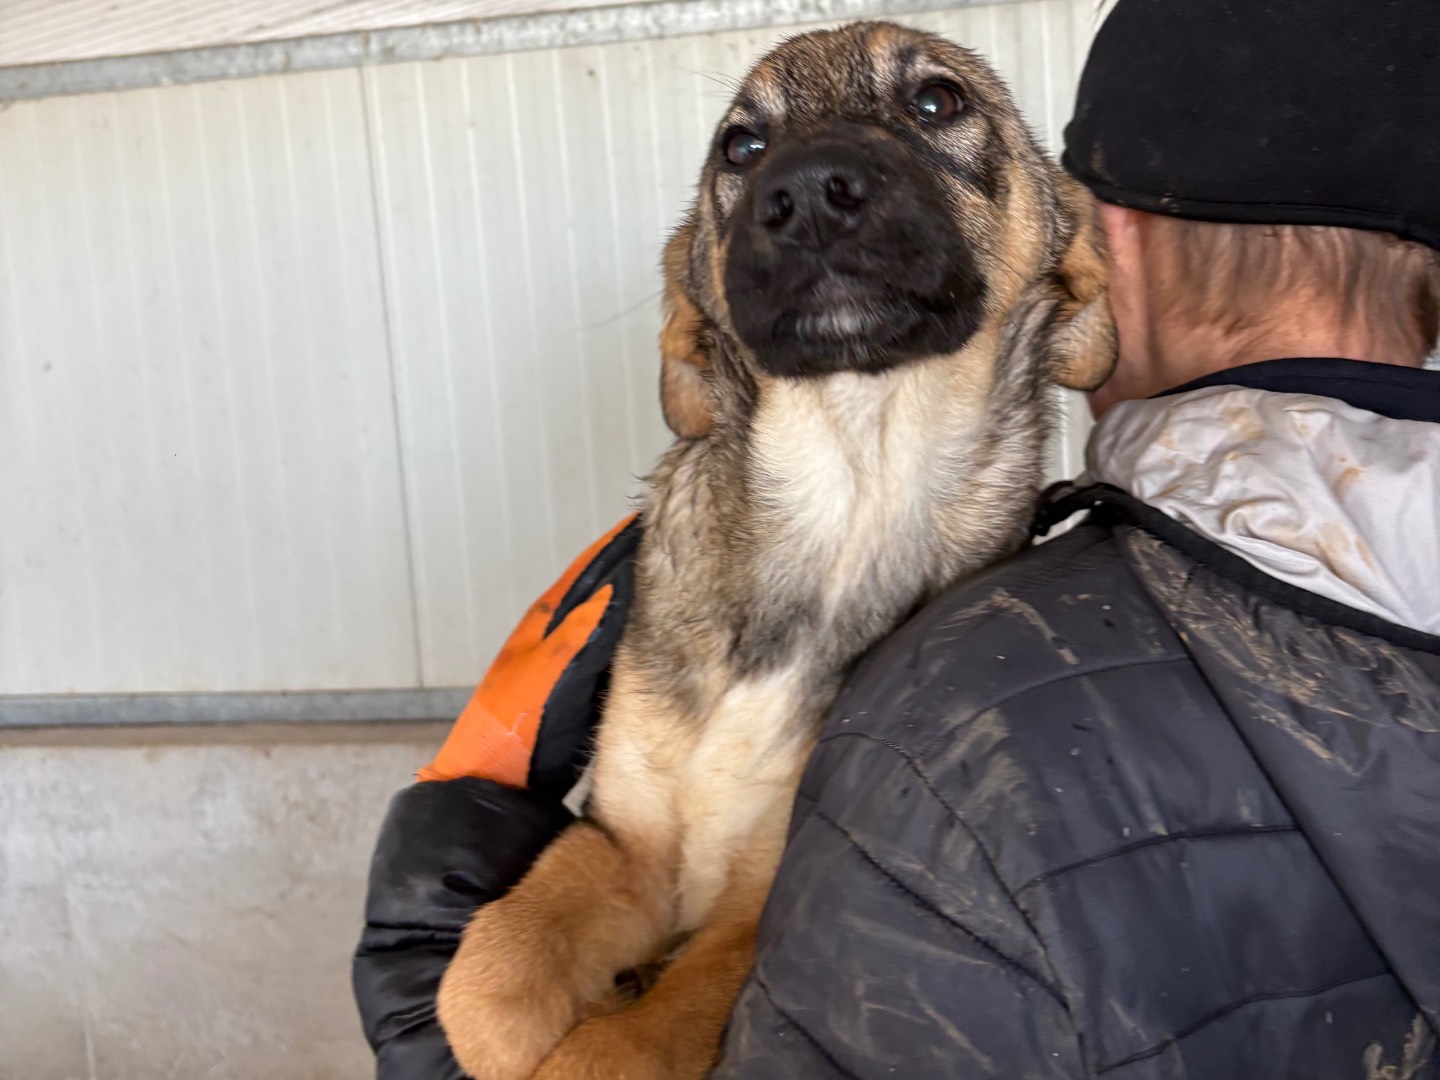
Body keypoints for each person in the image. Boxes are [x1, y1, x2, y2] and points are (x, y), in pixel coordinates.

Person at [353, 0, 1440, 1075]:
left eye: (933, 104)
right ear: (697, 313)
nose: (812, 182)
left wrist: (432, 1037)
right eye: (748, 148)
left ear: (1084, 266)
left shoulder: (980, 692)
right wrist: (503, 978)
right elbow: (635, 867)